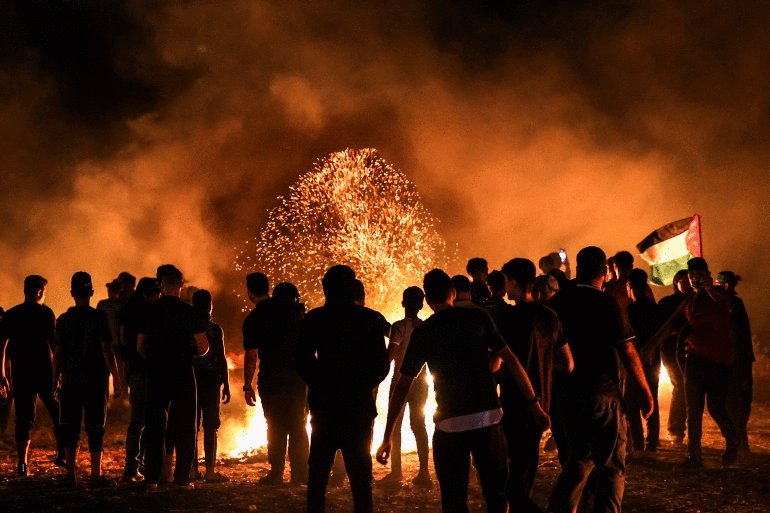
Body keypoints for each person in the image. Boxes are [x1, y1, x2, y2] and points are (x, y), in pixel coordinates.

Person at [377, 269, 550, 513]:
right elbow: (510, 360)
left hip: (450, 424)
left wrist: (387, 436)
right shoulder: (478, 318)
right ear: (453, 293)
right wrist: (534, 403)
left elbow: (402, 384)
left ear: (428, 299)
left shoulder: (425, 331)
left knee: (454, 499)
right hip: (488, 418)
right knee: (497, 495)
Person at [547, 246, 653, 513]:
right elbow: (627, 350)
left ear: (578, 269)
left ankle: (561, 507)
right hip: (602, 393)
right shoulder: (607, 303)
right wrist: (644, 390)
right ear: (604, 272)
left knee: (580, 457)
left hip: (567, 394)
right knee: (612, 466)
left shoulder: (557, 303)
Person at [297, 265, 390, 513]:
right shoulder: (370, 319)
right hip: (358, 408)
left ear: (326, 289)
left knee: (318, 477)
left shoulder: (315, 319)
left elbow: (301, 360)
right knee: (361, 478)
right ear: (352, 289)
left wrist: (321, 382)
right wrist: (362, 384)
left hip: (324, 408)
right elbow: (381, 365)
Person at [644, 257, 740, 467]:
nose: (694, 278)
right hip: (695, 360)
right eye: (691, 275)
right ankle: (694, 456)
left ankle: (733, 440)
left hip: (720, 360)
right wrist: (650, 347)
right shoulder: (690, 299)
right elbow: (670, 325)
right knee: (693, 409)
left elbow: (722, 302)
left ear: (708, 274)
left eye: (699, 274)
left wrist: (708, 287)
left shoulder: (720, 293)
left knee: (715, 407)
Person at [498, 258, 572, 513]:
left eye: (506, 282)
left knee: (512, 477)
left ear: (514, 283)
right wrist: (544, 368)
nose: (505, 287)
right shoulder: (550, 316)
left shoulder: (508, 318)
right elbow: (568, 363)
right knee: (526, 467)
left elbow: (497, 364)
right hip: (544, 403)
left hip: (516, 402)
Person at [138, 265, 209, 489]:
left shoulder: (149, 311)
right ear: (181, 284)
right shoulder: (190, 312)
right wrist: (187, 353)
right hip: (182, 371)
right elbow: (203, 346)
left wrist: (155, 357)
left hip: (157, 372)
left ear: (160, 284)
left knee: (154, 425)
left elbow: (140, 346)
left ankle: (152, 478)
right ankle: (182, 478)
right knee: (186, 425)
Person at [53, 272, 123, 487]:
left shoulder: (64, 320)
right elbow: (107, 349)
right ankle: (95, 474)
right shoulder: (99, 318)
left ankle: (71, 475)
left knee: (70, 428)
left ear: (72, 293)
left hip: (71, 380)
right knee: (96, 427)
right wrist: (116, 377)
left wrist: (54, 380)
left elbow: (58, 354)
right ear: (91, 292)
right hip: (95, 380)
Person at [243, 280, 309, 485]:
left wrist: (247, 385)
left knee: (275, 425)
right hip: (298, 378)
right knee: (298, 424)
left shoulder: (256, 317)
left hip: (271, 379)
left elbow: (251, 356)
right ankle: (300, 474)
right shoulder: (300, 315)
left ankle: (276, 473)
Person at [0, 275, 65, 476]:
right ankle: (62, 453)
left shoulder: (11, 314)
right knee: (58, 412)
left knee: (23, 418)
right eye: (44, 292)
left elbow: (2, 347)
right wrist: (59, 372)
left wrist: (2, 373)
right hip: (45, 371)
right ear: (39, 292)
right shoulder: (46, 313)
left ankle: (22, 464)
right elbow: (55, 345)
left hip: (21, 372)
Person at [378, 286, 431, 489]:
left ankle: (396, 472)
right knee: (419, 425)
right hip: (421, 383)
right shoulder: (426, 327)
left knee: (395, 426)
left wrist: (376, 377)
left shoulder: (398, 327)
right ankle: (424, 472)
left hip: (400, 381)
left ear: (403, 303)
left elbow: (390, 355)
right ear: (421, 305)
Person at [117, 277, 161, 481]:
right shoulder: (148, 313)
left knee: (138, 420)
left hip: (134, 370)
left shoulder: (126, 312)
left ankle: (132, 466)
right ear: (146, 294)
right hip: (147, 370)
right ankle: (138, 465)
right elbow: (141, 346)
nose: (158, 297)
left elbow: (123, 342)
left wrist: (128, 364)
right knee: (146, 421)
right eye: (156, 294)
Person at [191, 289, 231, 483]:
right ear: (210, 306)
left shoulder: (188, 326)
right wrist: (226, 383)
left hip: (191, 378)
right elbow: (221, 357)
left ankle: (192, 469)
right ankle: (209, 471)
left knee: (192, 425)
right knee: (210, 425)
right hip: (211, 380)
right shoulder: (215, 329)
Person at [715, 270, 754, 454]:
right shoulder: (720, 304)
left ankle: (739, 441)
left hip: (737, 360)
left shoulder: (734, 304)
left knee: (739, 402)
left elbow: (741, 336)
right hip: (729, 359)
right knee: (732, 402)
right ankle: (738, 441)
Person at [625, 269, 662, 454]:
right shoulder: (655, 308)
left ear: (630, 286)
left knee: (631, 402)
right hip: (654, 361)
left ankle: (638, 443)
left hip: (637, 360)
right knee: (651, 398)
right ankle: (652, 442)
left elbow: (631, 335)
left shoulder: (632, 309)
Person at [655, 269, 691, 445]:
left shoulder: (697, 301)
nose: (684, 284)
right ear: (675, 283)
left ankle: (686, 430)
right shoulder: (667, 303)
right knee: (680, 386)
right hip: (670, 350)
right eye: (681, 281)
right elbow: (659, 326)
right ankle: (676, 430)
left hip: (693, 350)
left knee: (689, 388)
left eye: (687, 281)